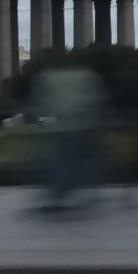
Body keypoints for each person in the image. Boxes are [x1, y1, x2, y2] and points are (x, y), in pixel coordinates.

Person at [31, 63, 104, 211]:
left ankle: (58, 194)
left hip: (65, 129)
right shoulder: (86, 76)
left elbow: (41, 102)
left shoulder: (50, 77)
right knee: (81, 161)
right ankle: (87, 193)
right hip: (80, 129)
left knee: (65, 161)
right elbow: (95, 101)